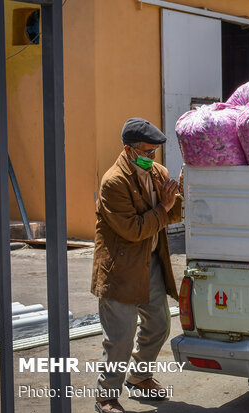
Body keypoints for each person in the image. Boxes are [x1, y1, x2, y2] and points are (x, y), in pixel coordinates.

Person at [91, 118, 183, 413]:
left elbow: (173, 212)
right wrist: (165, 209)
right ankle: (106, 395)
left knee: (159, 324)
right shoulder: (113, 182)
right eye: (146, 152)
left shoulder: (158, 173)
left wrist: (183, 189)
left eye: (154, 152)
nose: (151, 158)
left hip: (150, 264)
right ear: (129, 150)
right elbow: (133, 229)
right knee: (120, 338)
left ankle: (139, 376)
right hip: (120, 271)